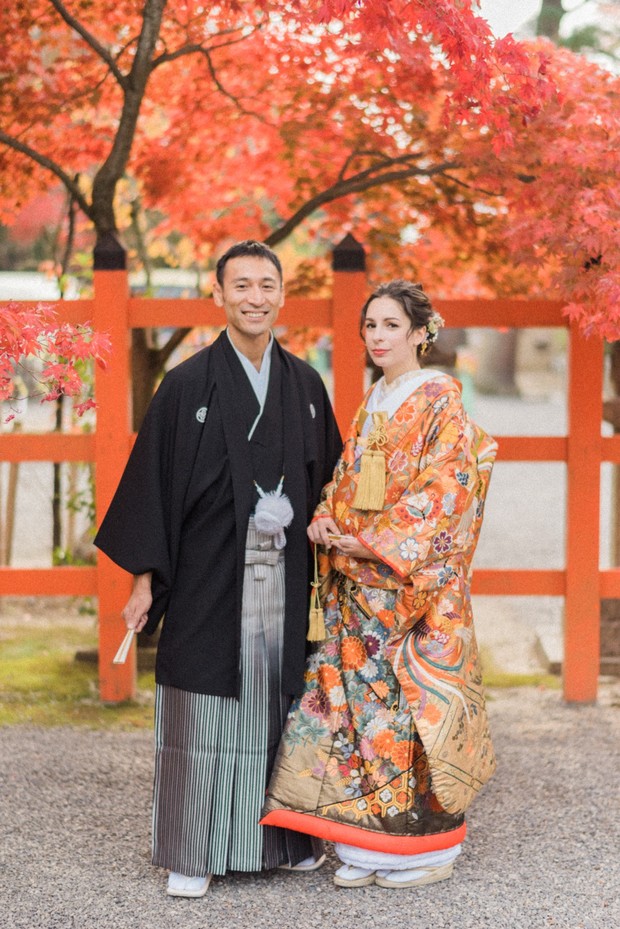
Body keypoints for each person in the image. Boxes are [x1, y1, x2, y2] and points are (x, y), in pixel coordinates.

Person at [94, 240, 342, 897]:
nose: (255, 297)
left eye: (267, 285)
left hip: (287, 577)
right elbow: (152, 485)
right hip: (208, 574)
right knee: (203, 701)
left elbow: (333, 486)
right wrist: (145, 578)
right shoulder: (185, 386)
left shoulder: (307, 386)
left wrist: (328, 525)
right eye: (242, 285)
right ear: (218, 294)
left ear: (282, 296)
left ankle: (284, 839)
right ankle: (193, 848)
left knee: (278, 702)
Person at [261, 280, 497, 889]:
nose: (378, 337)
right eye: (371, 326)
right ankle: (369, 844)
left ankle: (424, 848)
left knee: (402, 708)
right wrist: (326, 518)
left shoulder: (441, 398)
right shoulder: (375, 398)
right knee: (360, 713)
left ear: (422, 333)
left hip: (407, 585)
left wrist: (375, 543)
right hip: (357, 582)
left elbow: (449, 489)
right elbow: (345, 476)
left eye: (391, 325)